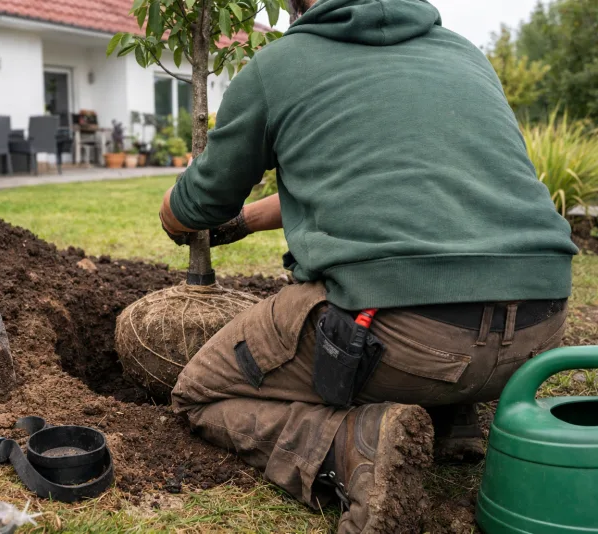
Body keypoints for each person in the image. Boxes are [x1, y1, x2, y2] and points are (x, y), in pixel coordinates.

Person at [157, 0, 577, 532]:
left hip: (403, 339)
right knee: (442, 292)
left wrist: (174, 215)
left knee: (202, 391)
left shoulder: (280, 64)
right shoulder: (463, 54)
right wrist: (243, 224)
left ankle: (351, 450)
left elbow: (201, 204)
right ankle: (453, 422)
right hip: (539, 331)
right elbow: (369, 183)